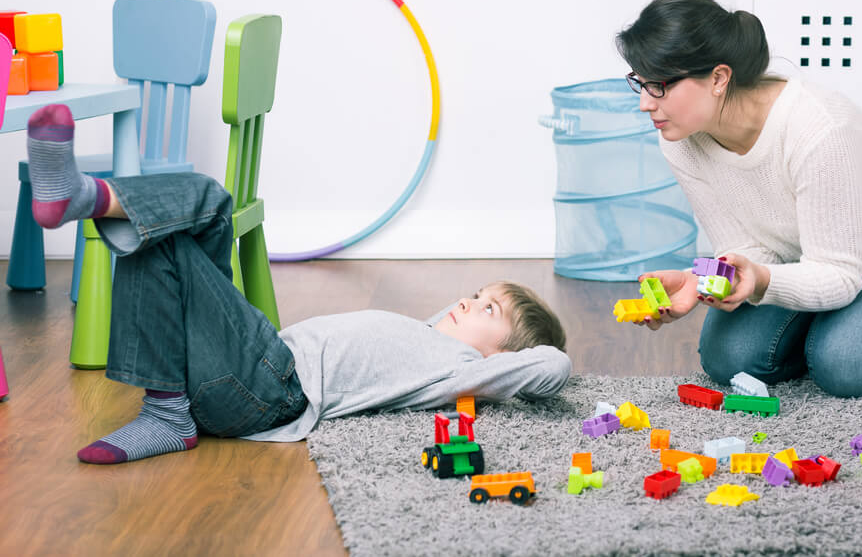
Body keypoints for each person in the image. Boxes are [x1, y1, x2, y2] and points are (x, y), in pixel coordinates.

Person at [25, 104, 570, 464]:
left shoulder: (464, 371)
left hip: (271, 390)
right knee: (210, 202)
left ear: (503, 354)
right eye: (477, 294)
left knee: (163, 240)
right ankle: (88, 197)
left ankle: (168, 416)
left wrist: (527, 353)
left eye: (488, 310)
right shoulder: (428, 338)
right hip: (253, 361)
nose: (468, 302)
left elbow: (553, 365)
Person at [615, 0, 862, 398]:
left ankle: (861, 332)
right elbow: (745, 247)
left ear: (718, 78)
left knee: (848, 365)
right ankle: (833, 328)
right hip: (802, 251)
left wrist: (763, 280)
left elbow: (838, 271)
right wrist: (699, 283)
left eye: (658, 86)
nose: (645, 103)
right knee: (727, 359)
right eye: (639, 83)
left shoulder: (818, 131)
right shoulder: (680, 139)